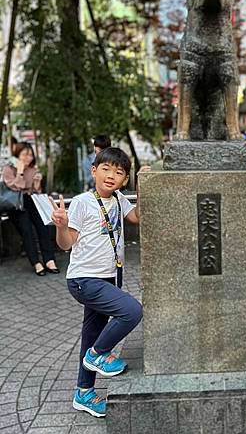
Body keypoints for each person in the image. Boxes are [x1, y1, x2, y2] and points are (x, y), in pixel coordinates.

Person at [51, 147, 145, 417]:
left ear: (124, 180)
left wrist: (146, 185)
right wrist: (61, 224)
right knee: (131, 311)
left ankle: (83, 393)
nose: (111, 175)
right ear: (94, 171)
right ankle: (98, 354)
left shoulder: (119, 199)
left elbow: (136, 218)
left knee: (91, 334)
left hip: (109, 277)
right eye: (106, 169)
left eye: (119, 172)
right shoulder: (82, 202)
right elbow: (67, 244)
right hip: (85, 279)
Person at [2, 142, 59, 276]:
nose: (28, 158)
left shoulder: (33, 169)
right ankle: (36, 263)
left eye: (30, 155)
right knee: (27, 230)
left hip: (30, 200)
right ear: (17, 155)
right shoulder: (8, 169)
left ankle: (49, 260)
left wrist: (37, 183)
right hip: (15, 205)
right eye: (24, 155)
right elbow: (16, 187)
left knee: (43, 226)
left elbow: (35, 192)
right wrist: (20, 171)